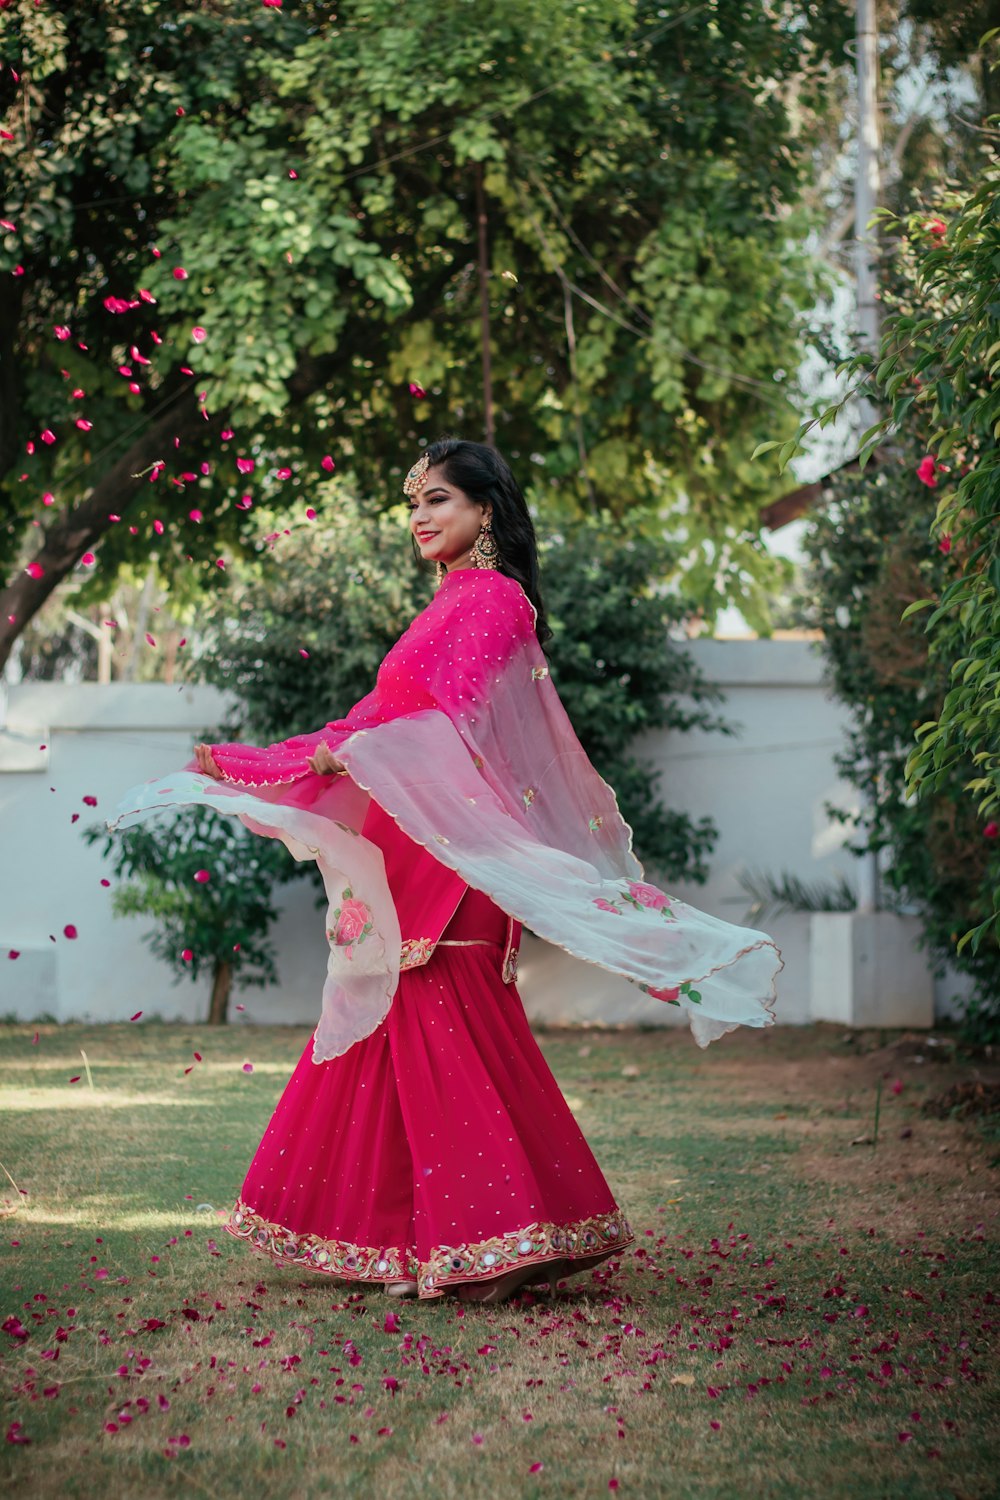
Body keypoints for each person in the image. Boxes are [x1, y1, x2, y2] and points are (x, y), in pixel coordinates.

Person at [112, 437, 781, 1304]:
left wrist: (344, 753)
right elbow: (357, 726)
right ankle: (424, 1239)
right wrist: (250, 761)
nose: (422, 518)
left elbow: (451, 721)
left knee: (448, 1022)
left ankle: (496, 1242)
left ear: (485, 511)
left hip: (453, 844)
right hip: (409, 838)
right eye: (415, 504)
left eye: (439, 501)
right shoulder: (442, 606)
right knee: (400, 1032)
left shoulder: (496, 601)